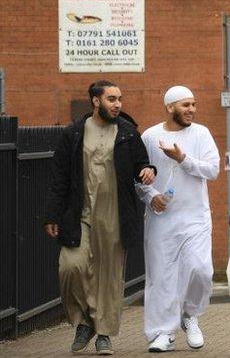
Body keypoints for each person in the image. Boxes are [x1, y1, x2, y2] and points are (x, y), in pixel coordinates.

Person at [43, 80, 156, 355]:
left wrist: (148, 169)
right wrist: (52, 215)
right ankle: (85, 321)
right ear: (96, 101)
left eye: (120, 99)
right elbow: (59, 178)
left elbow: (142, 163)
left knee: (109, 277)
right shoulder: (74, 133)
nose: (118, 104)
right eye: (111, 99)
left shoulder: (128, 133)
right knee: (71, 267)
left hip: (114, 214)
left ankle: (103, 333)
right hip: (79, 212)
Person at [137, 86, 220, 352]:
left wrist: (182, 158)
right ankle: (162, 333)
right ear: (170, 107)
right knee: (161, 276)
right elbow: (137, 175)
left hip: (195, 215)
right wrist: (151, 196)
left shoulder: (201, 133)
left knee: (201, 269)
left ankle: (190, 315)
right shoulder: (150, 136)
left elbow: (213, 169)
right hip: (161, 218)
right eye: (185, 105)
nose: (191, 110)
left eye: (193, 104)